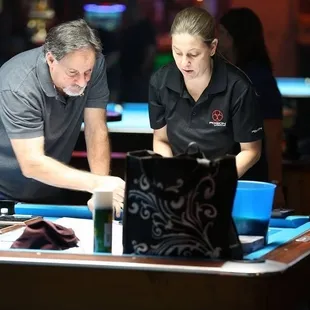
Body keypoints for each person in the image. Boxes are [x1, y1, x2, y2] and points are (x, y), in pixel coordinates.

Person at [0, 19, 124, 214]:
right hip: (4, 197)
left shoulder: (93, 63)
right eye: (73, 73)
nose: (82, 82)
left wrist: (101, 194)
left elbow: (95, 129)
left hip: (50, 192)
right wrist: (98, 183)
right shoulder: (19, 86)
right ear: (51, 60)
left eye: (87, 72)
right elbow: (31, 163)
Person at [148, 7, 263, 180]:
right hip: (180, 183)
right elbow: (161, 140)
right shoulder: (160, 82)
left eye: (193, 54)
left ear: (213, 48)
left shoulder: (238, 87)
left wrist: (215, 182)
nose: (184, 62)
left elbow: (251, 151)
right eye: (177, 52)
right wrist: (172, 175)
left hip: (226, 183)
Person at [218, 8, 285, 207]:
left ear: (235, 38)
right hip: (231, 179)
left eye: (221, 33)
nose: (216, 39)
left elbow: (273, 136)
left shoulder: (258, 80)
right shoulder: (231, 75)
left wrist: (276, 185)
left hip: (253, 183)